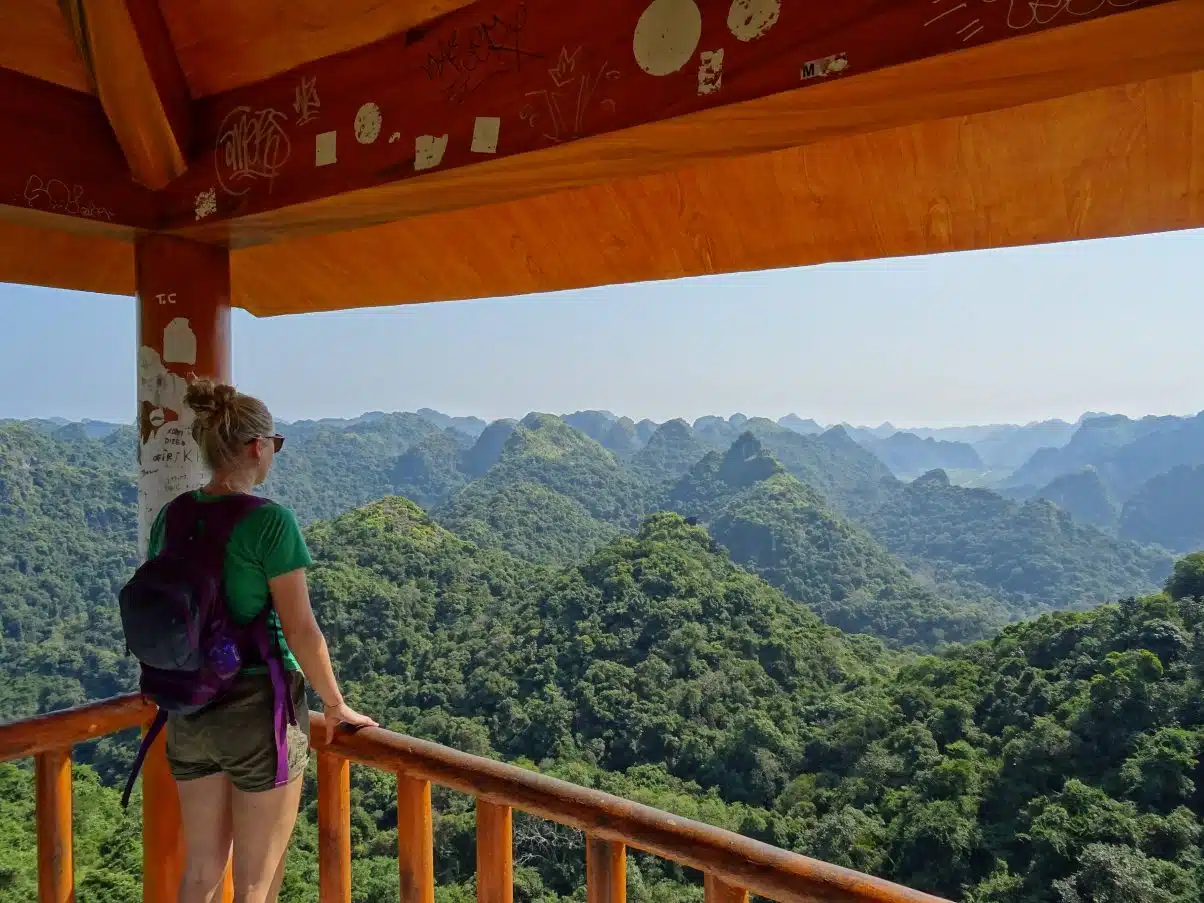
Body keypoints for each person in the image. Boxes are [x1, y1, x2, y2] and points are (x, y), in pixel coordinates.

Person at [145, 378, 376, 903]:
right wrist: (335, 706)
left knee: (200, 872)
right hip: (255, 709)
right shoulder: (269, 523)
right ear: (257, 447)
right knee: (256, 882)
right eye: (275, 442)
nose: (274, 451)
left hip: (186, 708)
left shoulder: (173, 515)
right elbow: (300, 628)